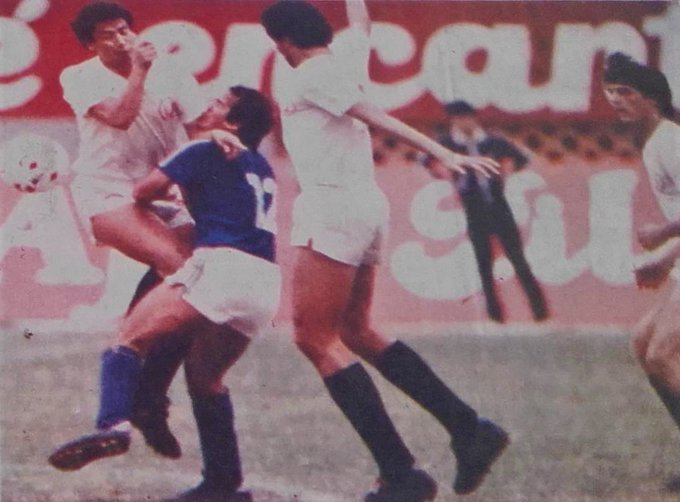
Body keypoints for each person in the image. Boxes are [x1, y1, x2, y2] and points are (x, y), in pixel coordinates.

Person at [261, 2, 509, 500]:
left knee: (314, 337)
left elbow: (371, 113)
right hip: (365, 205)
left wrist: (444, 152)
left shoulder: (311, 74)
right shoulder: (344, 57)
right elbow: (362, 24)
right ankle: (468, 428)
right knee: (356, 330)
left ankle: (400, 472)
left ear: (285, 41)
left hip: (332, 206)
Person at [49, 86, 278, 502]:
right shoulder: (261, 165)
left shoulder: (203, 149)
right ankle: (224, 485)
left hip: (222, 266)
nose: (207, 106)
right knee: (207, 378)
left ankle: (113, 425)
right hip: (265, 282)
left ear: (232, 123)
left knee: (128, 340)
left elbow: (142, 191)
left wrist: (168, 188)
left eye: (218, 104)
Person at [60, 2, 246, 460]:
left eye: (125, 29)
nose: (122, 39)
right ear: (90, 45)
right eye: (108, 35)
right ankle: (139, 395)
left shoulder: (174, 72)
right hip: (106, 192)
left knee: (196, 285)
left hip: (163, 190)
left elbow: (198, 125)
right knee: (180, 269)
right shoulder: (79, 77)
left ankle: (147, 395)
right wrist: (140, 71)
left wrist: (217, 135)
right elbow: (120, 115)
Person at [602, 52, 680, 491]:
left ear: (651, 99)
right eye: (610, 92)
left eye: (625, 92)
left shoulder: (669, 140)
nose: (616, 99)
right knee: (643, 343)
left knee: (662, 354)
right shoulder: (656, 142)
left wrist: (663, 243)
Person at [434, 100, 548, 322]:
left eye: (464, 118)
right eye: (456, 119)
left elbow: (521, 158)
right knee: (483, 262)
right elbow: (427, 160)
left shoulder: (491, 141)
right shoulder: (450, 143)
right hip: (473, 207)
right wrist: (446, 174)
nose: (461, 123)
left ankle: (540, 311)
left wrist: (506, 171)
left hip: (497, 204)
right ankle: (495, 315)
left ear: (472, 118)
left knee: (517, 258)